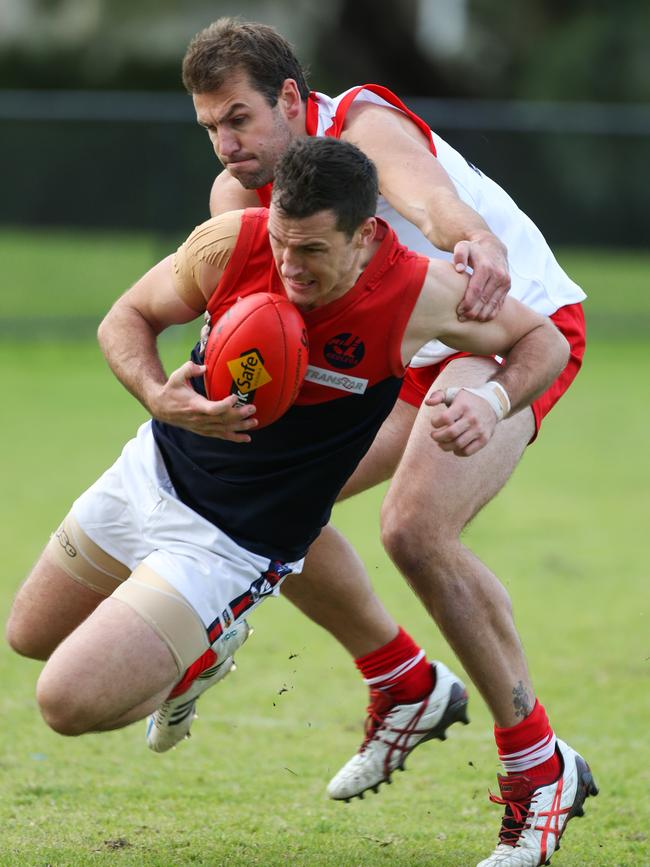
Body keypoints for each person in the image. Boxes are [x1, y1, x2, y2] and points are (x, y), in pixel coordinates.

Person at [6, 138, 570, 799]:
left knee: (64, 701)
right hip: (148, 473)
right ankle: (202, 645)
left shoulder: (417, 294)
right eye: (282, 242)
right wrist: (158, 392)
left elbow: (546, 340)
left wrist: (492, 399)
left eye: (311, 251)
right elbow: (126, 316)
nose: (288, 266)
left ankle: (202, 641)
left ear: (363, 236)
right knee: (29, 635)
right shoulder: (234, 241)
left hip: (229, 544)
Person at [176, 19, 595, 867]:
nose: (226, 144)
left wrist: (468, 237)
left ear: (291, 100)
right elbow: (240, 303)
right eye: (211, 127)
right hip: (401, 353)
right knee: (272, 495)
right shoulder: (246, 196)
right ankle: (403, 681)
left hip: (508, 330)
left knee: (414, 529)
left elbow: (427, 196)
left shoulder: (361, 124)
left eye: (239, 119)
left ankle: (540, 768)